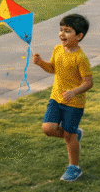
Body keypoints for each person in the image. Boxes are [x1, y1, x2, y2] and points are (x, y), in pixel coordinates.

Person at [33, 14, 93, 182]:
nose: (62, 34)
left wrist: (74, 92)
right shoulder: (57, 49)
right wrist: (41, 63)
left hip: (74, 103)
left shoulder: (80, 58)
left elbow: (89, 82)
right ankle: (74, 135)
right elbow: (53, 68)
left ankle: (74, 167)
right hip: (56, 98)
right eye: (61, 30)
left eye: (67, 31)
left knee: (68, 136)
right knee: (48, 128)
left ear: (79, 36)